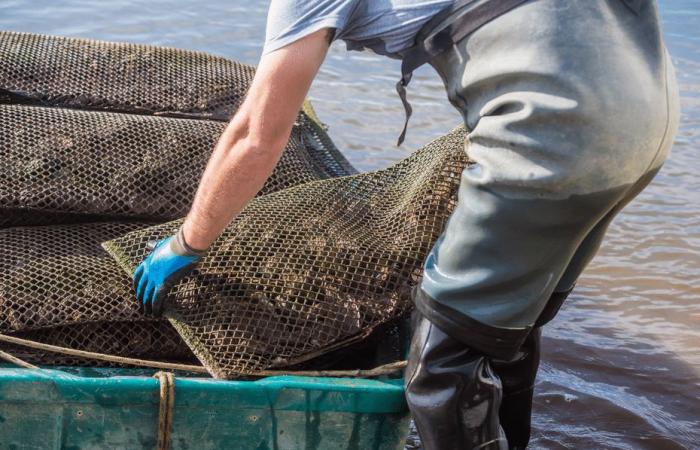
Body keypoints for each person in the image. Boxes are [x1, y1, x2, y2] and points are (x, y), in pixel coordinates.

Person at [132, 1, 679, 448]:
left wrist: (187, 241)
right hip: (647, 116)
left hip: (555, 127)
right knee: (508, 330)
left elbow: (256, 134)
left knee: (441, 371)